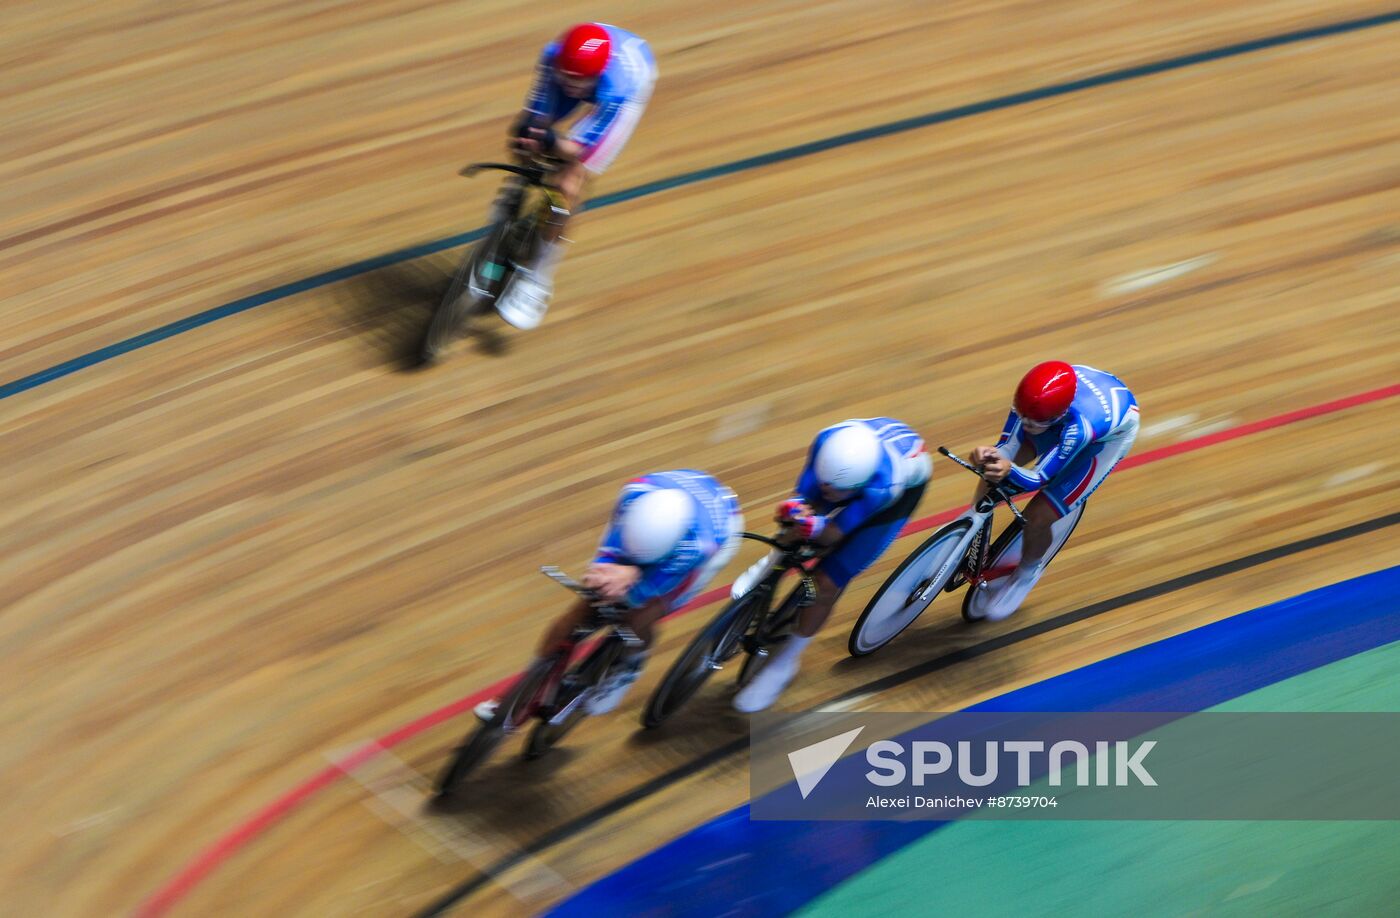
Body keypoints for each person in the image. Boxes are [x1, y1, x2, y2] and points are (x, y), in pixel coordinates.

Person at [476, 470, 742, 721]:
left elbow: (650, 590)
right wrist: (602, 575)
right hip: (660, 505)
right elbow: (610, 550)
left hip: (719, 532)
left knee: (639, 615)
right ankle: (525, 687)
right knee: (586, 606)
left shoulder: (698, 546)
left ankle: (628, 665)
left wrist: (634, 582)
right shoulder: (634, 494)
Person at [734, 419, 931, 713]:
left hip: (895, 498)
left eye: (836, 491)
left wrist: (819, 527)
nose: (828, 493)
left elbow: (832, 533)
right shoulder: (825, 442)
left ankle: (785, 663)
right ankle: (771, 562)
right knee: (800, 517)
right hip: (852, 464)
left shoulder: (882, 487)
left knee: (827, 581)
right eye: (826, 485)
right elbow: (804, 499)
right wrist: (797, 512)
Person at [492, 22, 658, 330]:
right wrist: (531, 134)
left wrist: (556, 144)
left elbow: (579, 149)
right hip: (587, 67)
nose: (568, 83)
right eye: (565, 75)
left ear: (594, 75)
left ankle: (537, 280)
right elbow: (538, 114)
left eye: (576, 79)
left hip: (629, 85)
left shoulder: (619, 87)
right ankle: (510, 202)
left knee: (570, 181)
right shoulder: (553, 58)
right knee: (527, 133)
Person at [964, 361, 1140, 621]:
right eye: (1021, 416)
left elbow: (1038, 478)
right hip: (1060, 412)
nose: (1025, 424)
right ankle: (970, 524)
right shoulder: (1030, 403)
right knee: (994, 470)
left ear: (1058, 416)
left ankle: (1028, 572)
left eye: (1033, 422)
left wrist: (1008, 470)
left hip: (1104, 440)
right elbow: (1007, 448)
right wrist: (989, 456)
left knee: (1038, 517)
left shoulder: (1081, 427)